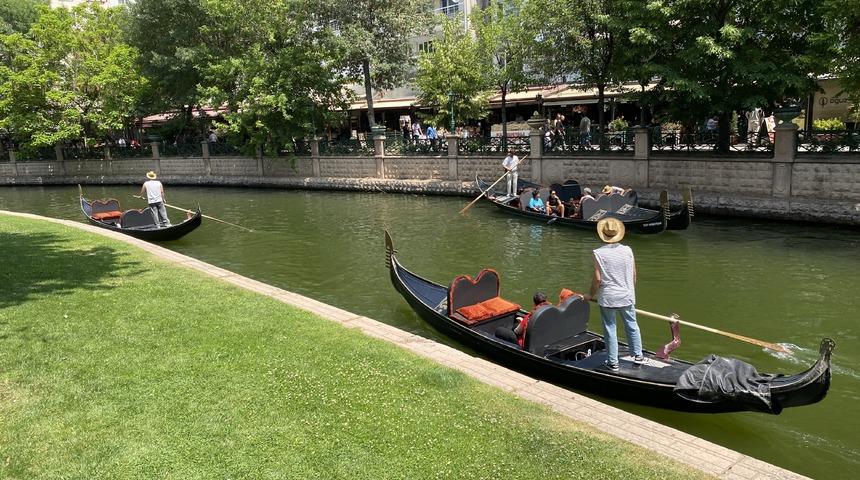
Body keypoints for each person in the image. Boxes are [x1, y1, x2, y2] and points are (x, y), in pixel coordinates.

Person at [584, 218, 644, 371]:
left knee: (610, 329)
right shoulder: (628, 250)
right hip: (627, 295)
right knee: (632, 325)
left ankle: (613, 362)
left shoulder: (598, 253)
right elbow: (634, 275)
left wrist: (589, 295)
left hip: (609, 297)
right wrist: (629, 291)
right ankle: (638, 355)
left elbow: (597, 279)